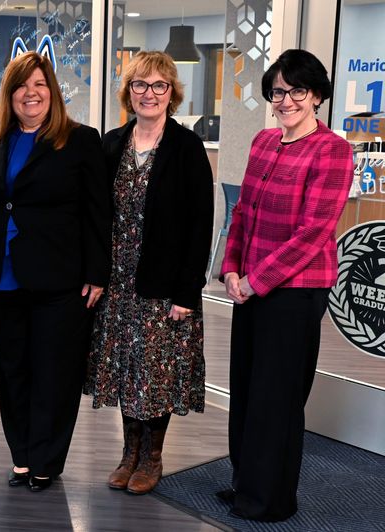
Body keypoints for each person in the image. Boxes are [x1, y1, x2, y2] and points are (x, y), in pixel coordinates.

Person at [218, 49, 353, 521]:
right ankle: (246, 482)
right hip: (249, 285)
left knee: (277, 396)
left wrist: (256, 281)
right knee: (247, 388)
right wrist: (231, 269)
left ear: (316, 95)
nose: (287, 100)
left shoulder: (332, 150)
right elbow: (243, 212)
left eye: (298, 90)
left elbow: (314, 232)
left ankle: (269, 500)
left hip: (295, 292)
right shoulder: (263, 141)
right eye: (278, 91)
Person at [0, 51, 112, 492]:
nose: (30, 93)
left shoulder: (80, 140)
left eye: (39, 84)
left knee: (55, 372)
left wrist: (97, 272)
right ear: (8, 94)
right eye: (21, 85)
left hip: (60, 277)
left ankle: (46, 460)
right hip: (0, 275)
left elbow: (98, 212)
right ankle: (21, 455)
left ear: (52, 92)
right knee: (12, 370)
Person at [84, 51, 214, 495]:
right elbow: (94, 214)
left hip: (163, 285)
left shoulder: (186, 147)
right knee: (127, 369)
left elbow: (200, 224)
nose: (149, 94)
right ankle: (129, 454)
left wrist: (187, 291)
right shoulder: (112, 143)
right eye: (140, 85)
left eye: (159, 85)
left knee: (155, 375)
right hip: (118, 283)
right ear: (129, 92)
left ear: (171, 93)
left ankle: (152, 458)